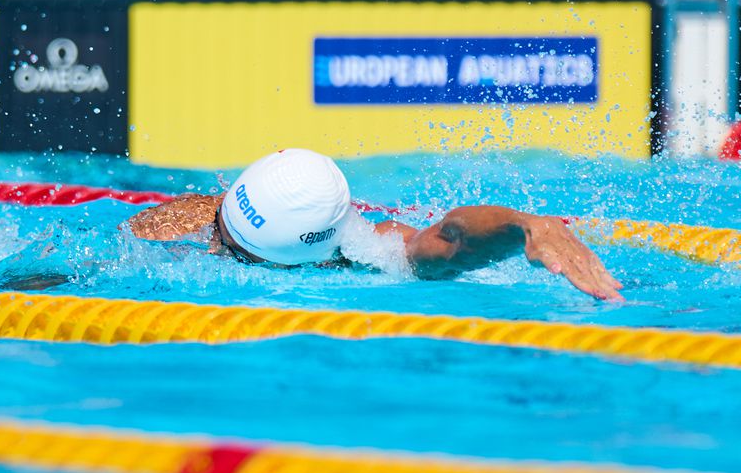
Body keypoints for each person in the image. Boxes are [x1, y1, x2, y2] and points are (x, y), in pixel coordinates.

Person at [126, 148, 624, 301]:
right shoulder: (182, 221)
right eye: (220, 228)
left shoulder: (362, 247)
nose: (214, 243)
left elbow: (446, 241)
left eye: (234, 248)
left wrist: (524, 226)